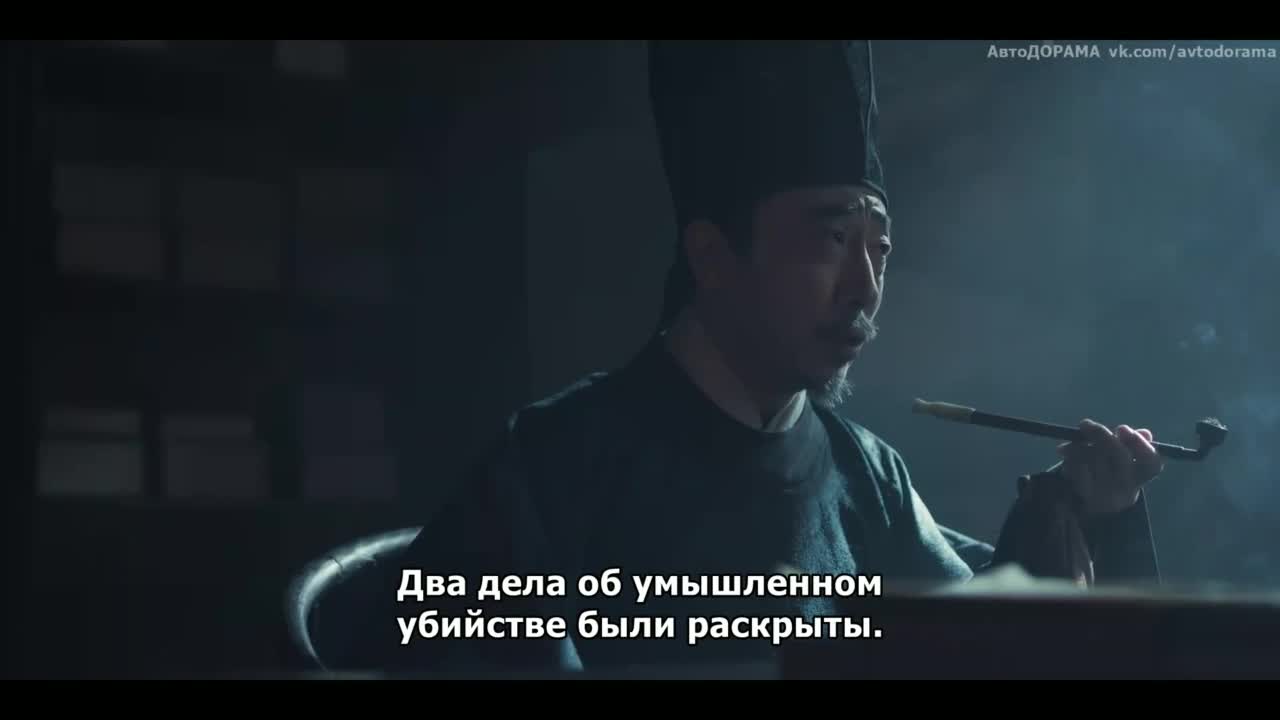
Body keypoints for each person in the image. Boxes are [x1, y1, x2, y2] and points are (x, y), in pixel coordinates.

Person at [338, 40, 1162, 675]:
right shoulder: (554, 467)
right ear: (712, 256)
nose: (865, 286)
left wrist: (1082, 509)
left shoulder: (868, 473)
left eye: (879, 247)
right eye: (831, 239)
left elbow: (978, 640)